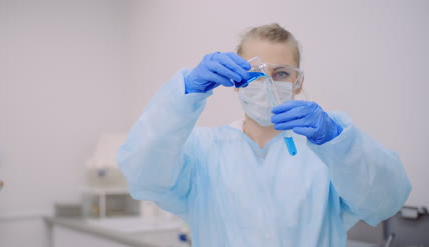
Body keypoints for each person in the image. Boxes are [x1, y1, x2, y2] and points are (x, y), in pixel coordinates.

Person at [117, 23, 411, 247]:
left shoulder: (328, 152)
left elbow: (386, 201)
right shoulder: (203, 150)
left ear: (298, 82)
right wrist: (188, 90)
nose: (268, 83)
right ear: (234, 81)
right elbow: (143, 174)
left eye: (281, 73)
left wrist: (337, 141)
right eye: (255, 73)